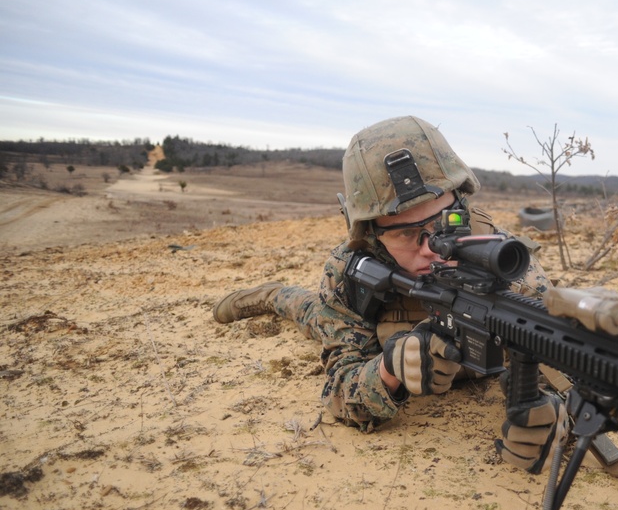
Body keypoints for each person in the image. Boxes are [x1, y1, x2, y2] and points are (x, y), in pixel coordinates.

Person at [212, 115, 567, 474]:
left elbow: (559, 363)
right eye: (406, 234)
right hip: (351, 321)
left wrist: (550, 412)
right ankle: (270, 294)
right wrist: (388, 369)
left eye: (445, 221)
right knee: (304, 310)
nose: (432, 248)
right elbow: (341, 393)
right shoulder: (350, 272)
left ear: (461, 201)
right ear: (372, 235)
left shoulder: (505, 260)